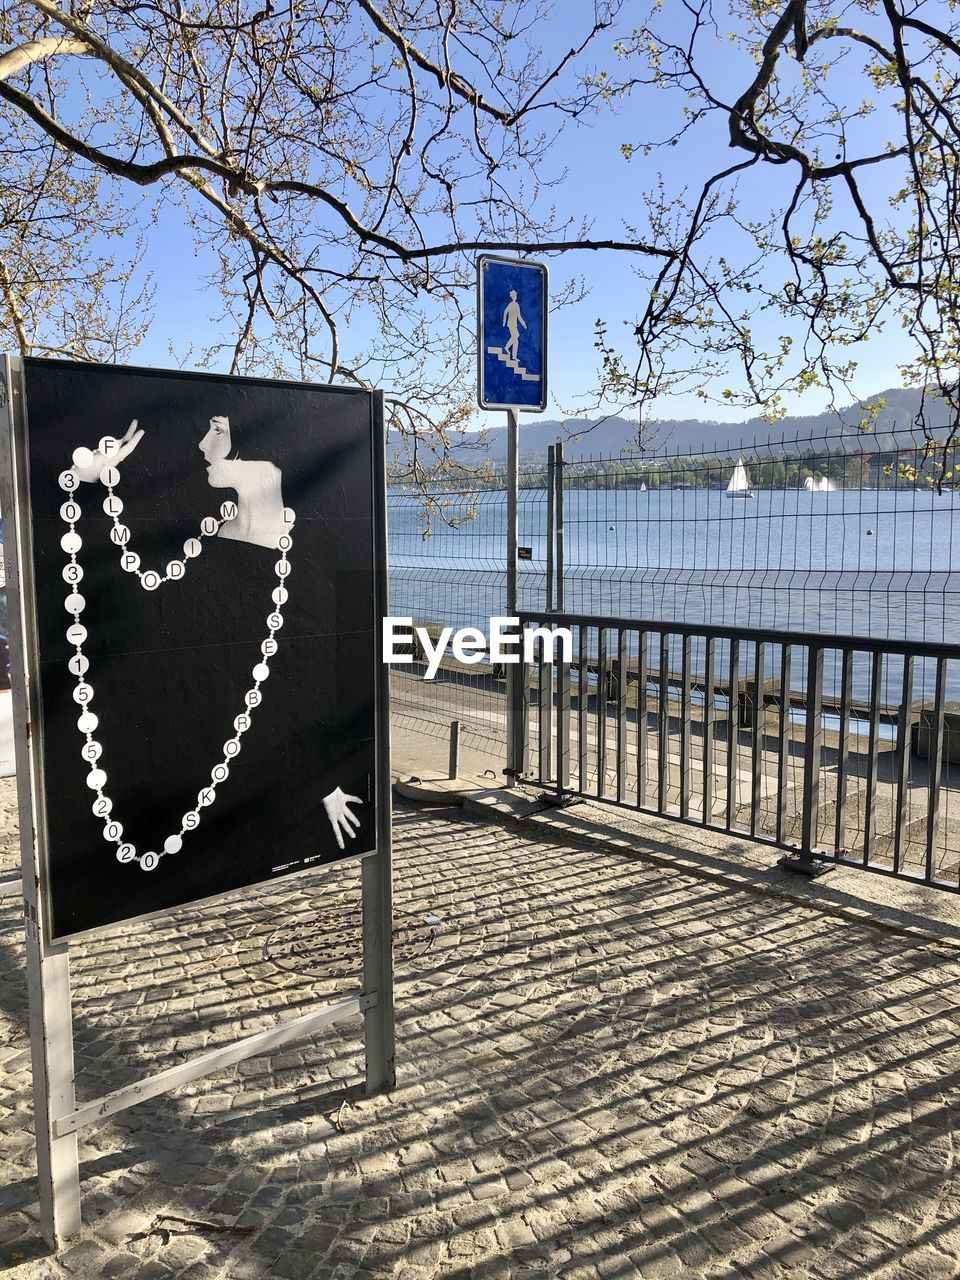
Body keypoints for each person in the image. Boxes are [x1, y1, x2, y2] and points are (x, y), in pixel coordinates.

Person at [502, 289, 526, 362]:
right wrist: (504, 322)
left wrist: (523, 324)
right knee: (516, 336)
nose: (515, 296)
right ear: (512, 297)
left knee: (516, 341)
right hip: (511, 323)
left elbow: (519, 316)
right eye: (514, 295)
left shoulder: (516, 305)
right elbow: (505, 312)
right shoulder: (511, 304)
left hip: (514, 324)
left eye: (515, 295)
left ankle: (514, 356)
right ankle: (507, 347)